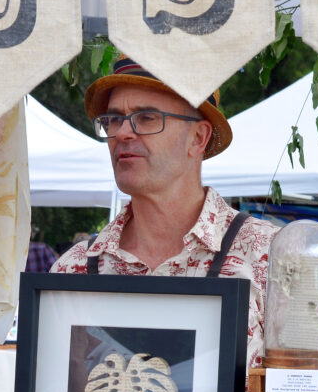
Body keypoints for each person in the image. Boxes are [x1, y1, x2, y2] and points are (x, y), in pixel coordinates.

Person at [52, 57, 280, 371]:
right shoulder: (72, 271)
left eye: (146, 118)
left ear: (198, 138)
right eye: (114, 119)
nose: (122, 133)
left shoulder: (270, 257)